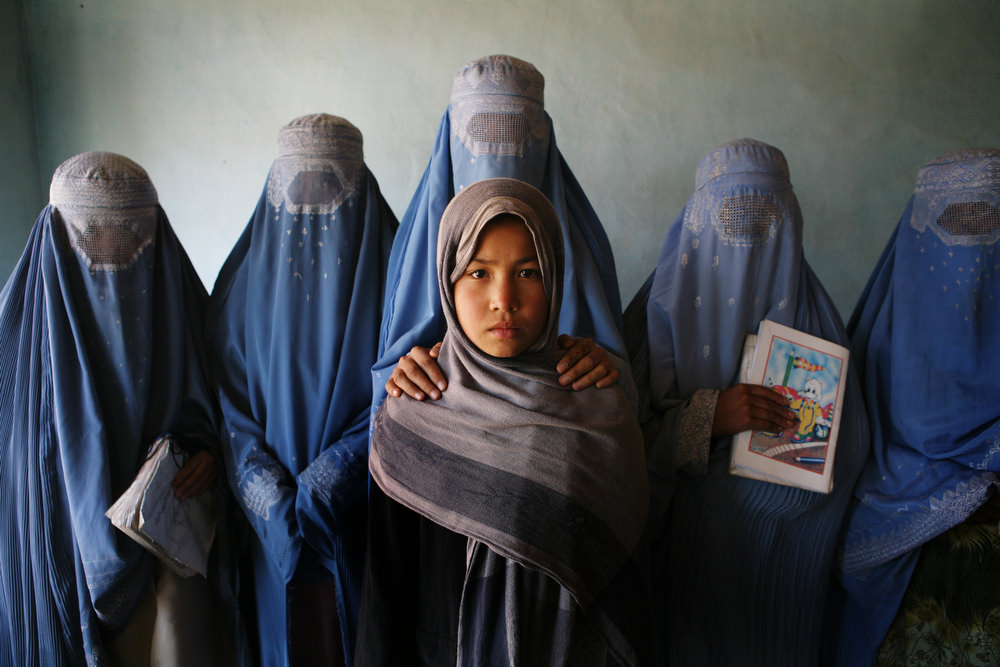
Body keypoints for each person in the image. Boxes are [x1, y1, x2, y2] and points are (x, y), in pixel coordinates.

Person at [357, 177, 651, 666]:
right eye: (478, 273)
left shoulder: (600, 408)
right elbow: (386, 594)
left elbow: (622, 585)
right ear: (447, 281)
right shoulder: (412, 413)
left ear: (555, 279)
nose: (503, 299)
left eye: (529, 272)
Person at [623, 139, 869, 665]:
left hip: (779, 572)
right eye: (732, 216)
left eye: (766, 219)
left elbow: (848, 456)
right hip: (674, 566)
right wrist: (708, 418)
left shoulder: (819, 327)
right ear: (695, 219)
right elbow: (613, 448)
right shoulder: (649, 319)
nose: (748, 236)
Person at [0, 151, 246, 666]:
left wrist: (210, 455)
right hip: (65, 558)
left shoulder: (193, 315)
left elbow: (233, 414)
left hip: (170, 556)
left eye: (133, 242)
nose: (113, 259)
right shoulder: (15, 354)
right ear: (56, 242)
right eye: (91, 242)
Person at [205, 114, 397, 666]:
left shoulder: (402, 279)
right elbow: (227, 402)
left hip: (364, 518)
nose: (312, 204)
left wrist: (333, 477)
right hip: (272, 530)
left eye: (331, 190)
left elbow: (410, 385)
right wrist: (271, 497)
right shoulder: (240, 291)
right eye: (298, 188)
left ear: (360, 188)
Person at [372, 54, 629, 416]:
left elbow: (622, 392)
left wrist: (603, 366)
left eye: (516, 138)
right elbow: (390, 382)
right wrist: (403, 373)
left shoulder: (582, 245)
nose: (503, 300)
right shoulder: (417, 246)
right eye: (478, 139)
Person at [836, 148, 1000, 666]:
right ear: (916, 230)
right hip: (891, 551)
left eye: (990, 220)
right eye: (955, 220)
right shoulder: (874, 342)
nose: (973, 241)